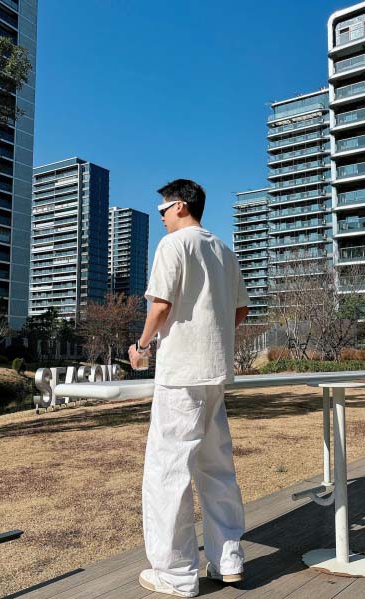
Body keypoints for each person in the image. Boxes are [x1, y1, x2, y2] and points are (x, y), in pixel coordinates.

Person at [128, 179, 249, 598]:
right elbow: (241, 309)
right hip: (215, 374)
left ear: (180, 205)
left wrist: (142, 346)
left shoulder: (174, 245)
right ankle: (228, 559)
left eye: (163, 209)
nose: (161, 217)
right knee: (217, 468)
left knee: (169, 472)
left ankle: (176, 574)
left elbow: (160, 305)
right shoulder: (224, 250)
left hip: (180, 375)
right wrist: (213, 334)